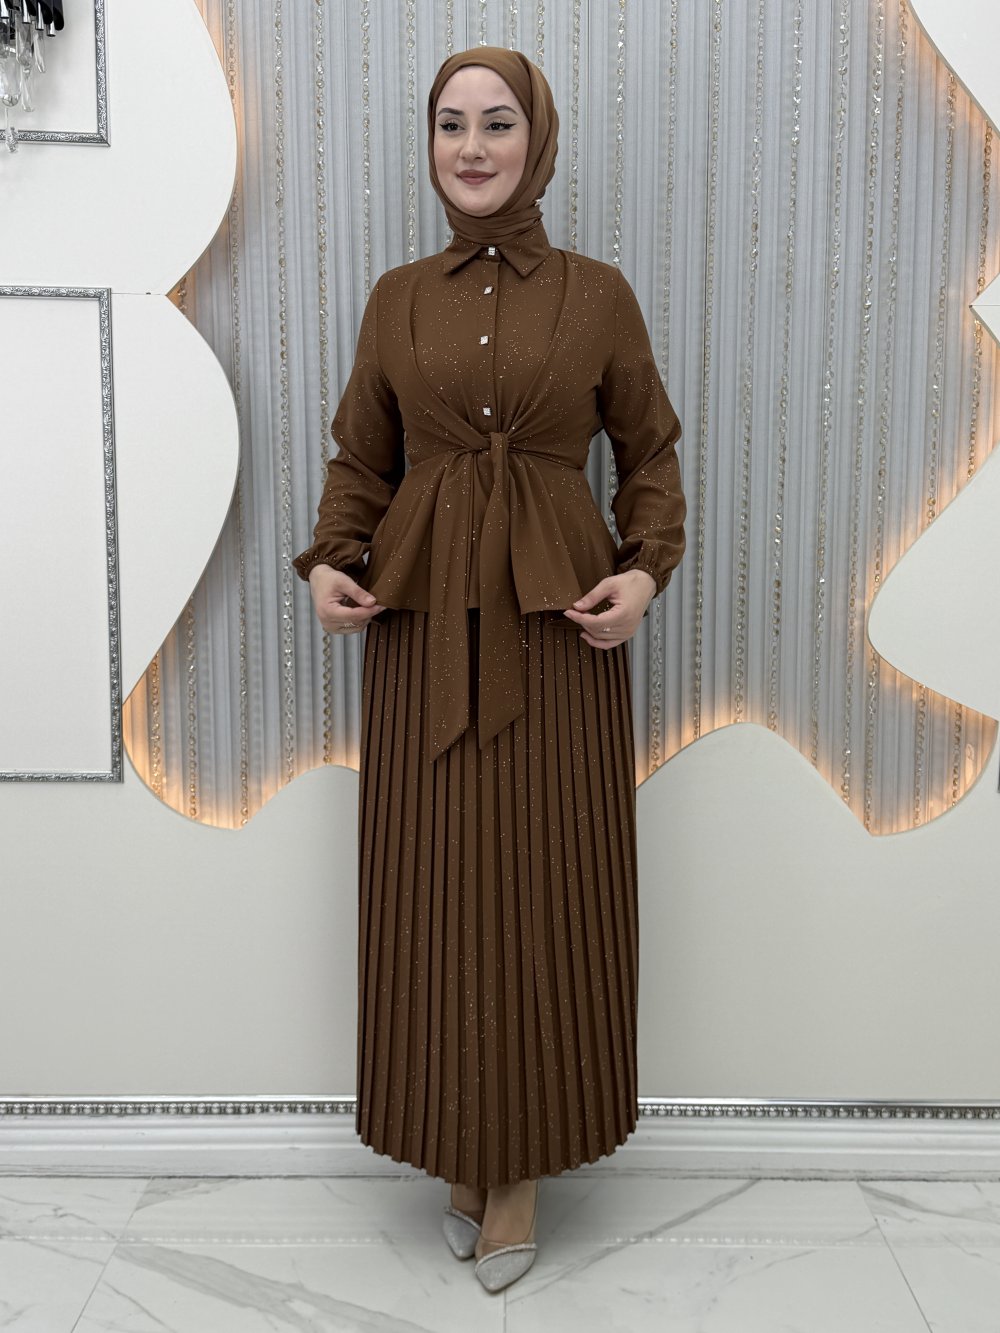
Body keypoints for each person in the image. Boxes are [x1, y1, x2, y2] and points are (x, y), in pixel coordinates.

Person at [293, 46, 686, 1294]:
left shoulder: (598, 294)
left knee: (544, 881)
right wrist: (330, 559)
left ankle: (518, 1164)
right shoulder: (396, 298)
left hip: (556, 627)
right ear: (430, 144)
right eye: (451, 124)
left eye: (498, 122)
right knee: (435, 883)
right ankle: (456, 1141)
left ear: (538, 139)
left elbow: (650, 455)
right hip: (420, 630)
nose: (472, 146)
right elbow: (361, 456)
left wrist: (644, 571)